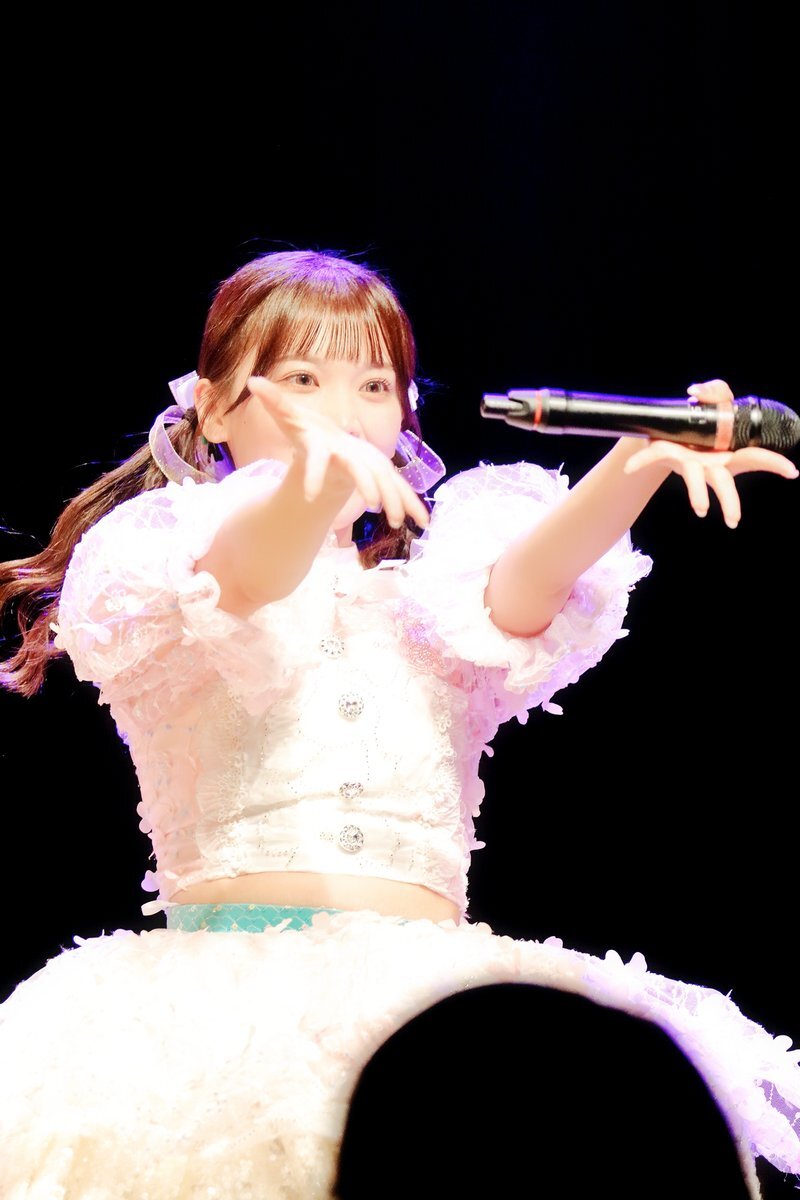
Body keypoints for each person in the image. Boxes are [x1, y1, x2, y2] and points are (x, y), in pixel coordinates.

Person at [0, 249, 797, 1200]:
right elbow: (246, 575)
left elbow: (530, 584)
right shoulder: (165, 566)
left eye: (374, 386)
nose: (344, 412)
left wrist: (636, 461)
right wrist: (312, 485)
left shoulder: (429, 599)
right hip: (206, 1017)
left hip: (429, 1010)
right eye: (302, 380)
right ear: (212, 409)